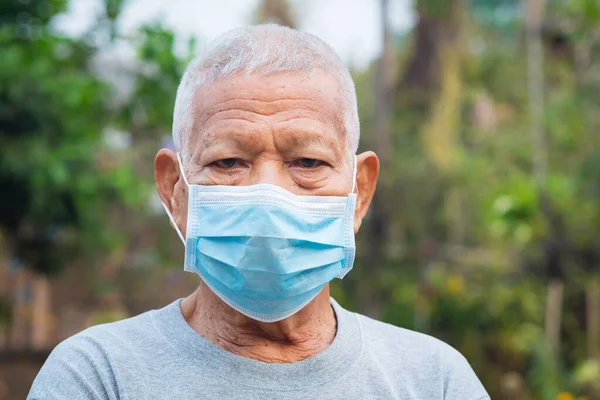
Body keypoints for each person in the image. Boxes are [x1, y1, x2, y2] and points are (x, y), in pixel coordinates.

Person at [28, 24, 489, 400]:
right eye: (228, 162)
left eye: (307, 162)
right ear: (175, 190)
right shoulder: (98, 378)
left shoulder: (434, 381)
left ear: (359, 191)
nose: (268, 196)